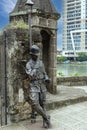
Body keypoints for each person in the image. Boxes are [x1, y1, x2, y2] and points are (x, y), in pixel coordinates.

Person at [25, 45, 51, 128]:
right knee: (35, 104)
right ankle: (47, 117)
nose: (37, 56)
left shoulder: (41, 63)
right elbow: (30, 76)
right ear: (31, 55)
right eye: (35, 55)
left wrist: (47, 78)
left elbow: (44, 73)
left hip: (42, 85)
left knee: (43, 103)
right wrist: (35, 68)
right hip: (34, 85)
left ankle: (45, 121)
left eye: (37, 55)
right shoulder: (28, 64)